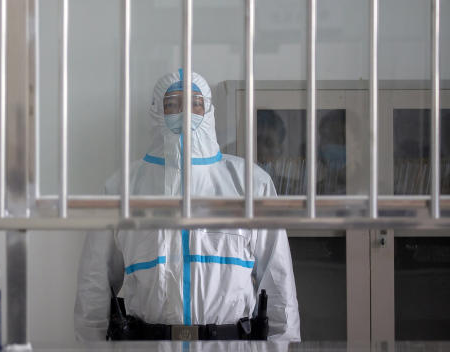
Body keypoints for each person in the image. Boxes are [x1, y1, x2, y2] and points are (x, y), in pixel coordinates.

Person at [74, 70, 300, 342]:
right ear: (157, 111)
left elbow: (278, 284)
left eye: (195, 103)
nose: (184, 113)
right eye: (172, 104)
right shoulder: (124, 188)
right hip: (149, 346)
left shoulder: (250, 185)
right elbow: (94, 284)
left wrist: (282, 345)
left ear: (209, 110)